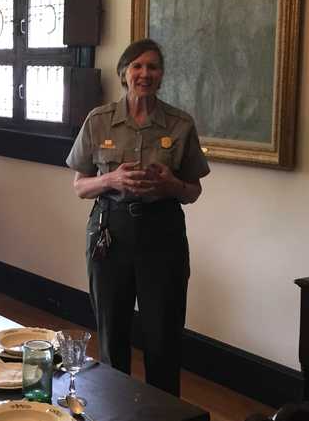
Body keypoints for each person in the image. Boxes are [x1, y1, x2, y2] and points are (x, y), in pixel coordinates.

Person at [66, 39, 210, 397]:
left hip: (162, 233)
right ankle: (116, 409)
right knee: (112, 332)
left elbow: (193, 190)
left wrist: (172, 184)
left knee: (163, 336)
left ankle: (163, 414)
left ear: (161, 76)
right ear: (124, 73)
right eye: (137, 66)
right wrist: (111, 179)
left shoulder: (179, 124)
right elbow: (80, 186)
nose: (145, 73)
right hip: (110, 232)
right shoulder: (99, 121)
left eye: (153, 67)